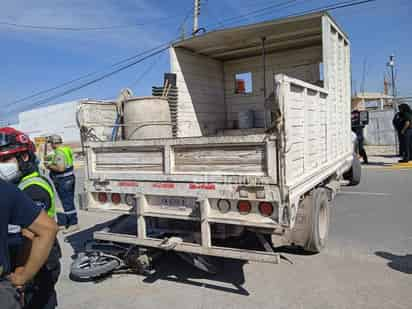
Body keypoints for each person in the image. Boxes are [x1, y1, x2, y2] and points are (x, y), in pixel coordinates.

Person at [0, 127, 61, 309]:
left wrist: (21, 276)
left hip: (37, 261)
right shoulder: (14, 184)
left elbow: (31, 236)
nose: (1, 165)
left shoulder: (32, 187)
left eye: (5, 159)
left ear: (24, 157)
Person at [0, 180, 58, 309]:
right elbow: (47, 229)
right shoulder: (5, 189)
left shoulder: (33, 188)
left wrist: (21, 275)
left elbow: (33, 234)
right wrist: (22, 277)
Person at [45, 134, 79, 233]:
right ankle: (69, 222)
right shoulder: (66, 149)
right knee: (69, 201)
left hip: (63, 180)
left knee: (67, 202)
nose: (50, 145)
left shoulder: (59, 153)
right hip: (69, 178)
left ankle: (73, 223)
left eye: (51, 143)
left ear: (54, 143)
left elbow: (61, 168)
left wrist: (49, 166)